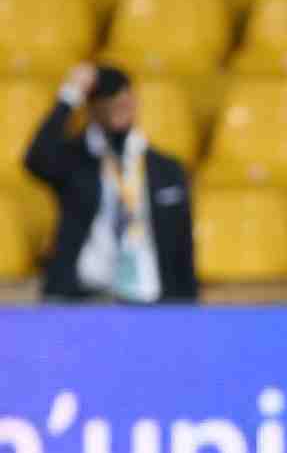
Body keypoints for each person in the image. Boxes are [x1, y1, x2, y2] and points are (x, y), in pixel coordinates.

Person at [23, 63, 197, 303]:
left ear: (134, 100)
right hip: (83, 300)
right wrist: (70, 96)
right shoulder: (76, 161)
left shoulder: (166, 170)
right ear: (91, 107)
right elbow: (36, 159)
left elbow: (182, 246)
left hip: (152, 304)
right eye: (106, 97)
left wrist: (188, 308)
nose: (117, 102)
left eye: (122, 94)